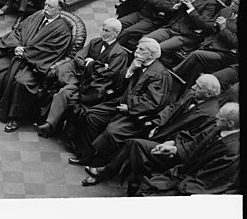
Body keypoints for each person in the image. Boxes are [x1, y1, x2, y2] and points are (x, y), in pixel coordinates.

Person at [81, 74, 221, 190]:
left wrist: (169, 139)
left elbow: (192, 138)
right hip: (164, 129)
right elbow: (173, 108)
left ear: (209, 93)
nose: (192, 87)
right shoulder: (193, 94)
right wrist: (156, 124)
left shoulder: (210, 114)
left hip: (173, 143)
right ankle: (109, 168)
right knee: (130, 134)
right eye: (195, 83)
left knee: (133, 143)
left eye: (198, 87)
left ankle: (106, 172)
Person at [68, 37, 173, 166]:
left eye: (141, 49)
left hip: (136, 113)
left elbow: (153, 102)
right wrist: (130, 70)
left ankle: (102, 160)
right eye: (137, 48)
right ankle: (87, 154)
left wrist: (129, 107)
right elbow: (118, 84)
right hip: (120, 103)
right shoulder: (138, 64)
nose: (136, 51)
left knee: (112, 131)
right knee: (91, 115)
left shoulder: (160, 75)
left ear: (151, 55)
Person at [0, 0, 72, 132]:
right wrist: (16, 47)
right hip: (17, 55)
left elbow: (52, 50)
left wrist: (26, 53)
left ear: (59, 9)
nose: (45, 8)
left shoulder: (63, 31)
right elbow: (17, 31)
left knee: (22, 82)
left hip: (35, 64)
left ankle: (17, 117)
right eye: (45, 4)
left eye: (50, 6)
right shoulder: (36, 17)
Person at [37, 18, 129, 138]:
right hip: (80, 80)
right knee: (63, 92)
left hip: (95, 88)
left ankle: (56, 129)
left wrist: (91, 63)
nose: (103, 33)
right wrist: (95, 66)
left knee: (70, 97)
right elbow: (78, 58)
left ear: (116, 33)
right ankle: (50, 125)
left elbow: (109, 75)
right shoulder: (95, 42)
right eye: (103, 29)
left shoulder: (120, 54)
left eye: (107, 31)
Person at [135, 102, 240, 196]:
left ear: (230, 124)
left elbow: (211, 179)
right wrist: (174, 149)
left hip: (194, 186)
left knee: (150, 194)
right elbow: (196, 144)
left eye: (220, 117)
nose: (216, 116)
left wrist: (179, 187)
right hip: (185, 171)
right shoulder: (217, 128)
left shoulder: (233, 151)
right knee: (147, 186)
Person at [144, 0, 219, 62]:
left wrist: (190, 7)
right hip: (171, 28)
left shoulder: (210, 2)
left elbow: (203, 24)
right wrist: (176, 6)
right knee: (145, 40)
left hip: (185, 35)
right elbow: (170, 5)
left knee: (156, 49)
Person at [173, 0, 239, 86]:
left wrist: (223, 28)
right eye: (232, 1)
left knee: (196, 54)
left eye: (236, 4)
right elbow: (208, 26)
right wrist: (214, 26)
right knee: (197, 66)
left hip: (225, 53)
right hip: (210, 45)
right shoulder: (225, 11)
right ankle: (187, 88)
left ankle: (175, 74)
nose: (232, 4)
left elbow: (236, 43)